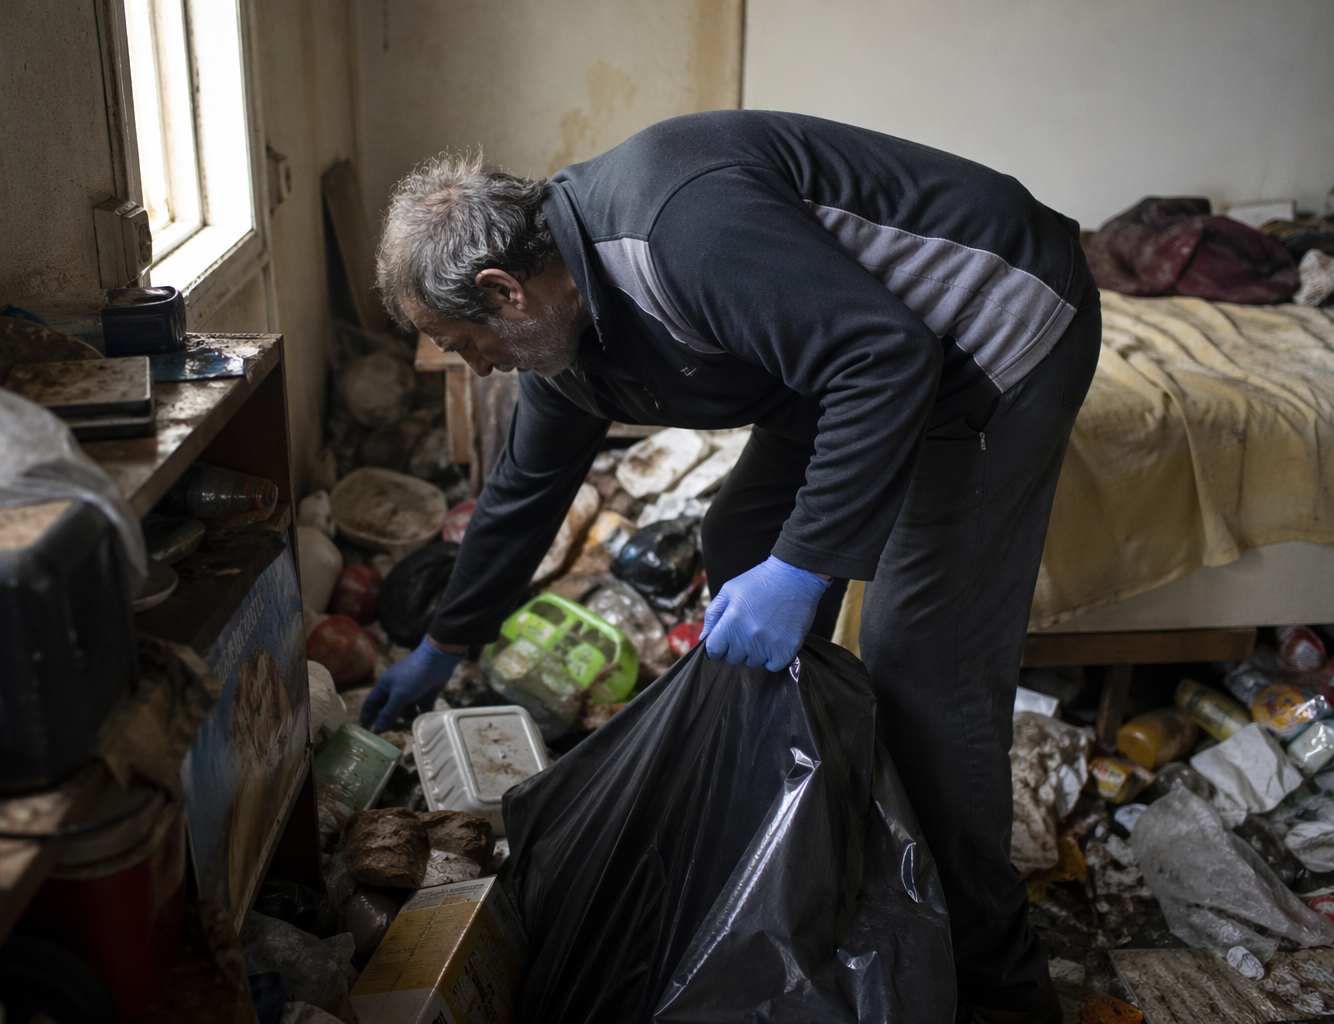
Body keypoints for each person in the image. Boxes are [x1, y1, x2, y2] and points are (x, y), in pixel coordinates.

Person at [360, 110, 1100, 1024]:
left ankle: (993, 981)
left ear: (503, 290)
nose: (474, 369)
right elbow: (527, 487)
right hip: (838, 368)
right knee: (738, 540)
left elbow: (882, 357)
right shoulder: (562, 341)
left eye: (464, 345)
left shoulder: (678, 227)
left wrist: (805, 567)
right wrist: (444, 640)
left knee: (918, 662)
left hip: (985, 328)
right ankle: (809, 817)